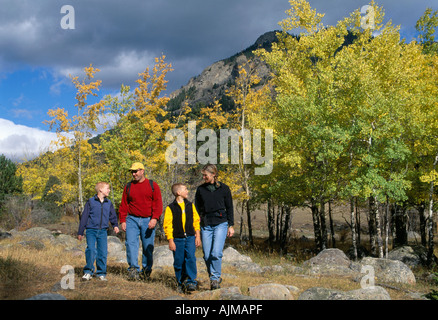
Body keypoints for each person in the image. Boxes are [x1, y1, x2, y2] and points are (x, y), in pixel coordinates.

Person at [119, 162, 163, 281]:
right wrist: (123, 220)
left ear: (142, 171)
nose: (134, 174)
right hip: (132, 219)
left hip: (148, 219)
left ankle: (146, 270)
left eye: (136, 171)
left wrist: (154, 218)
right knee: (130, 244)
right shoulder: (128, 186)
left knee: (147, 246)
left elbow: (158, 203)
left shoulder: (152, 185)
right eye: (132, 172)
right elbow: (124, 204)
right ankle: (133, 269)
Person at [195, 164, 234, 290]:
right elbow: (197, 208)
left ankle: (215, 279)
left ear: (213, 174)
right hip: (206, 225)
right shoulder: (200, 189)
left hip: (221, 223)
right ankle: (214, 276)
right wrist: (197, 224)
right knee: (207, 255)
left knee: (216, 253)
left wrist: (231, 225)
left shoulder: (224, 188)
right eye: (203, 175)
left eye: (206, 175)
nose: (204, 177)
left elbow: (230, 207)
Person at [78, 182, 119, 281]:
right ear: (100, 190)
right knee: (91, 250)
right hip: (91, 230)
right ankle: (88, 272)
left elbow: (112, 215)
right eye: (107, 188)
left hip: (103, 231)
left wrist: (115, 225)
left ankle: (101, 273)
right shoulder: (91, 201)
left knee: (102, 252)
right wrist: (80, 231)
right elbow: (84, 217)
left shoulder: (108, 203)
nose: (109, 190)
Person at [163, 183, 201, 293]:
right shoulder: (170, 208)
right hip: (177, 239)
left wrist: (197, 235)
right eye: (185, 189)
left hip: (190, 237)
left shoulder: (190, 205)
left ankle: (191, 282)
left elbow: (196, 220)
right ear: (178, 192)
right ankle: (180, 282)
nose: (187, 191)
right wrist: (170, 240)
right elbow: (167, 225)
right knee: (179, 261)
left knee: (190, 258)